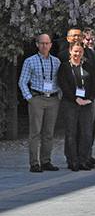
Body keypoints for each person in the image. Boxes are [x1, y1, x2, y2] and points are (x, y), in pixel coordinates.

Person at [17, 34, 62, 172]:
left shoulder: (56, 61)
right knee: (35, 132)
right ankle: (34, 163)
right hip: (37, 98)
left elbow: (60, 81)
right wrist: (29, 98)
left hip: (53, 99)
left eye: (47, 43)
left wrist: (59, 95)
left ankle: (46, 161)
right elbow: (22, 81)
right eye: (42, 43)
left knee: (49, 132)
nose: (44, 46)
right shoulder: (30, 61)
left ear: (50, 45)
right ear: (37, 44)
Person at [57, 42, 95, 171]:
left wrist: (89, 99)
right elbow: (63, 85)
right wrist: (76, 99)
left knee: (87, 133)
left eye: (80, 52)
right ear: (70, 51)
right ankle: (72, 160)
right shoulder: (64, 67)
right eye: (75, 51)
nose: (77, 54)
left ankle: (83, 160)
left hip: (86, 104)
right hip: (70, 103)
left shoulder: (88, 66)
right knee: (71, 133)